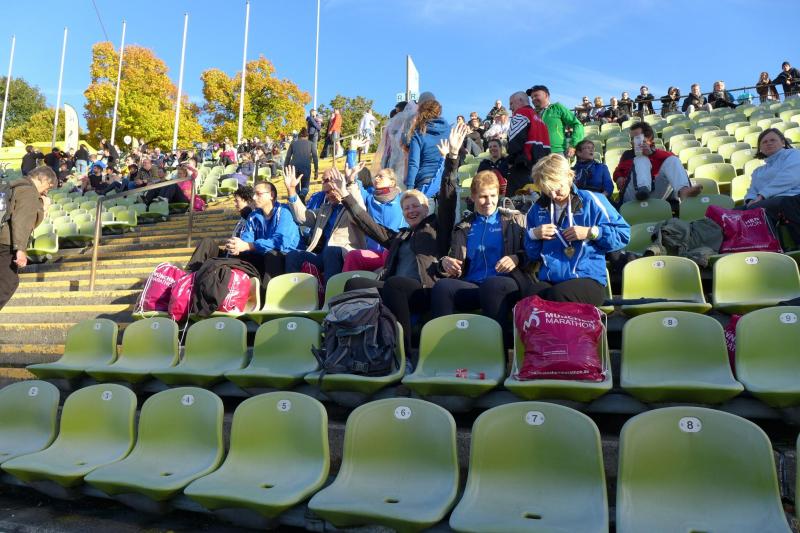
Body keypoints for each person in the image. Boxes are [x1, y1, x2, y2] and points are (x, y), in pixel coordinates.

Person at [333, 124, 465, 361]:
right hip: (395, 289)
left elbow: (448, 198)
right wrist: (345, 196)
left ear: (426, 208)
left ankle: (402, 351)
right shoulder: (400, 236)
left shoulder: (437, 228)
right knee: (354, 284)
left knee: (395, 283)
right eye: (406, 208)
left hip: (424, 290)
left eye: (416, 206)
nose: (411, 210)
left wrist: (452, 159)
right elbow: (369, 226)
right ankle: (354, 346)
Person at [430, 167, 529, 348]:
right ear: (473, 197)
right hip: (474, 284)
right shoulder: (463, 227)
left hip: (507, 284)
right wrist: (445, 262)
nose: (489, 202)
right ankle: (442, 349)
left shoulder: (515, 220)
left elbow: (532, 253)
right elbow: (452, 260)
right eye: (483, 196)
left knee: (492, 285)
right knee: (442, 287)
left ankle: (497, 351)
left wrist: (517, 258)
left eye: (493, 195)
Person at [525, 154, 630, 306]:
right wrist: (533, 235)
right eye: (547, 190)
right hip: (551, 279)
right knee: (531, 296)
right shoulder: (537, 209)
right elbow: (533, 255)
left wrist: (591, 232)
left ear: (569, 176)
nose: (553, 195)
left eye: (557, 188)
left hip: (587, 279)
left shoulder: (592, 200)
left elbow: (623, 234)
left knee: (557, 295)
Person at [284, 165, 366, 282]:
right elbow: (303, 217)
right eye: (325, 192)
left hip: (345, 255)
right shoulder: (326, 208)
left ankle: (331, 292)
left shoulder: (350, 207)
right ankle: (293, 291)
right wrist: (291, 190)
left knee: (331, 251)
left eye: (327, 181)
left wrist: (350, 182)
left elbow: (359, 212)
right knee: (294, 255)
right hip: (323, 256)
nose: (327, 195)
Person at [0, 166, 56, 309]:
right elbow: (22, 221)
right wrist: (20, 250)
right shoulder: (29, 192)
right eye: (49, 186)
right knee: (8, 282)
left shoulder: (12, 186)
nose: (46, 191)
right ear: (43, 179)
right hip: (7, 243)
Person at [226, 180, 300, 284]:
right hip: (263, 254)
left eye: (258, 194)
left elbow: (280, 242)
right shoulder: (253, 216)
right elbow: (246, 240)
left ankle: (268, 292)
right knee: (237, 256)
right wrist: (237, 246)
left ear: (271, 195)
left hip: (286, 256)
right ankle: (234, 289)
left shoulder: (284, 212)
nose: (254, 197)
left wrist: (249, 246)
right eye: (254, 194)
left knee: (272, 255)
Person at [613, 121, 703, 203]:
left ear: (648, 138)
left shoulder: (661, 154)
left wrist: (651, 154)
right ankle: (643, 188)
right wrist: (619, 177)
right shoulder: (627, 154)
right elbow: (617, 172)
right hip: (632, 194)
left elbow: (673, 162)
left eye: (636, 138)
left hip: (655, 193)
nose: (632, 142)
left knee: (672, 160)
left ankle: (683, 191)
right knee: (641, 159)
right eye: (631, 138)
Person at [341, 167, 404, 272]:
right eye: (376, 176)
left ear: (392, 182)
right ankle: (344, 283)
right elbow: (354, 191)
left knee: (387, 256)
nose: (377, 178)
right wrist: (351, 179)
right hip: (375, 253)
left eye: (381, 176)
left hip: (395, 251)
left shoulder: (402, 198)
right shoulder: (369, 197)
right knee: (353, 256)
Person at [742, 129, 800, 240]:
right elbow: (752, 190)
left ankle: (769, 245)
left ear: (783, 142)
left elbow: (791, 176)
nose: (768, 143)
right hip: (769, 202)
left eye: (773, 140)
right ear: (760, 148)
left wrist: (762, 196)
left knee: (757, 208)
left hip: (793, 198)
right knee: (733, 212)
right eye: (764, 142)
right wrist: (749, 201)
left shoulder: (794, 154)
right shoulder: (758, 171)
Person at [506, 91, 551, 196]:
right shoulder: (539, 119)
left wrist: (511, 160)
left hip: (524, 166)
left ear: (521, 100)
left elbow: (515, 139)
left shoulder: (521, 113)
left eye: (511, 103)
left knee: (514, 201)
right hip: (541, 167)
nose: (510, 107)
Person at [405, 98, 448, 197]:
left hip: (426, 181)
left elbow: (414, 163)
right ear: (439, 112)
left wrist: (410, 188)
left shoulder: (419, 132)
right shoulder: (449, 130)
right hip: (447, 178)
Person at [528, 84, 584, 158]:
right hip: (537, 153)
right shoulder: (531, 113)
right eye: (532, 97)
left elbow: (577, 124)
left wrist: (573, 145)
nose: (533, 99)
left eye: (536, 96)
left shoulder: (557, 108)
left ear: (546, 95)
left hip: (557, 152)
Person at [285, 128, 319, 201]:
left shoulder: (293, 143)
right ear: (307, 136)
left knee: (295, 187)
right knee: (305, 187)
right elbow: (315, 157)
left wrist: (285, 169)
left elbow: (288, 157)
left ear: (299, 136)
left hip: (293, 168)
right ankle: (302, 195)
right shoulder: (311, 144)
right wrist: (316, 170)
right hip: (306, 167)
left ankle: (298, 200)